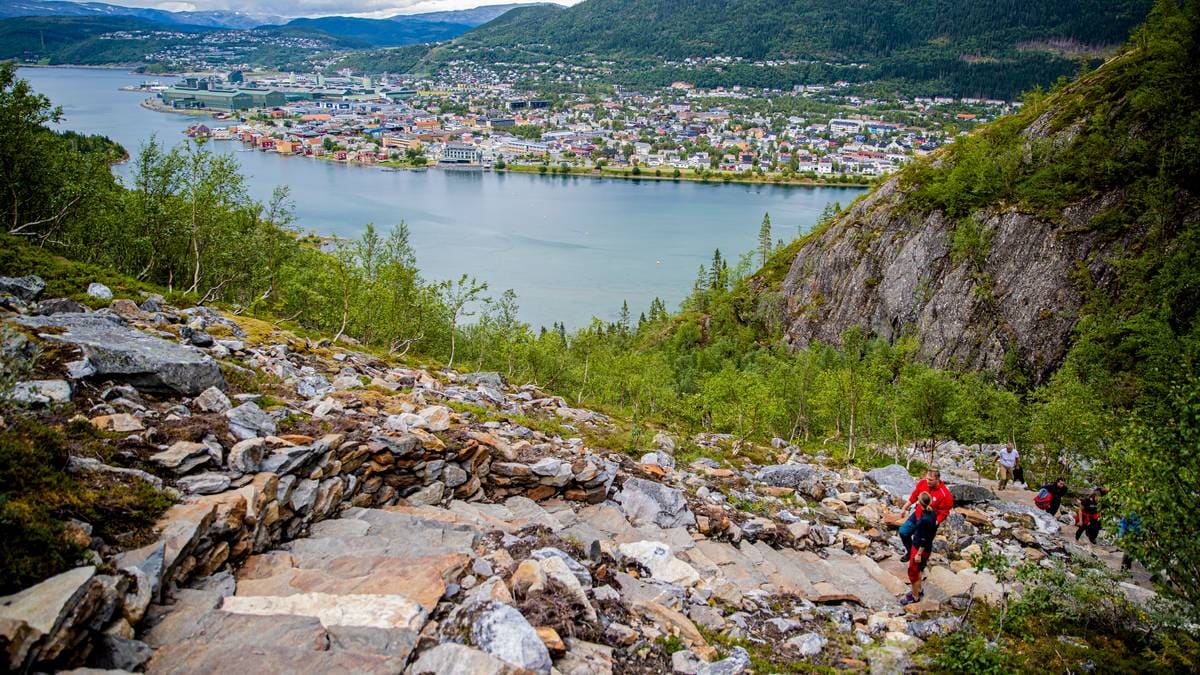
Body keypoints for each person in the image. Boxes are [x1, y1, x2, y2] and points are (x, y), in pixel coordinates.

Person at [898, 468, 954, 562]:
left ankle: (920, 563)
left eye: (930, 480)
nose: (927, 481)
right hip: (918, 514)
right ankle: (910, 552)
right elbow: (914, 496)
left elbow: (944, 512)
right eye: (927, 478)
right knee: (903, 532)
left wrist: (935, 522)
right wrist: (904, 508)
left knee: (924, 542)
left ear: (937, 479)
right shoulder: (923, 483)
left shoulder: (945, 495)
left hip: (929, 521)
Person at [902, 492, 938, 605]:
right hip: (926, 547)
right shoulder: (932, 513)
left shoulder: (924, 520)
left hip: (919, 548)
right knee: (919, 568)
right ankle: (918, 589)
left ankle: (914, 596)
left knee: (913, 571)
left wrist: (918, 553)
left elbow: (924, 538)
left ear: (920, 502)